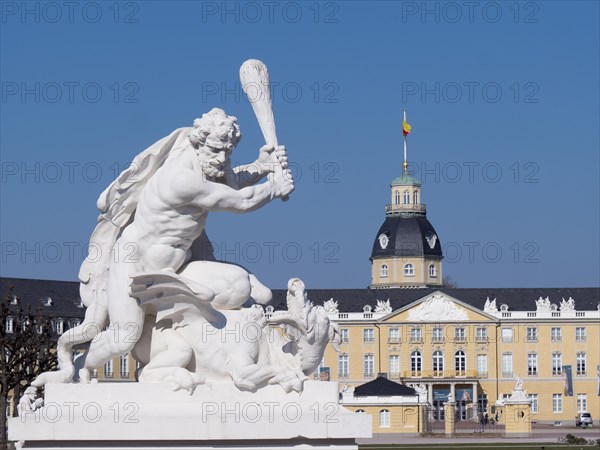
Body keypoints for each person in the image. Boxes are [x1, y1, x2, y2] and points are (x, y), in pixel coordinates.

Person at [34, 108, 294, 385]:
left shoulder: (205, 167)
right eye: (216, 150)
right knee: (124, 338)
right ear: (198, 143)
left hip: (177, 268)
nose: (222, 159)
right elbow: (239, 201)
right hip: (135, 266)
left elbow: (230, 179)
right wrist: (275, 187)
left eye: (227, 152)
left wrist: (261, 166)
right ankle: (78, 369)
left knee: (238, 286)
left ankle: (210, 355)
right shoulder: (181, 179)